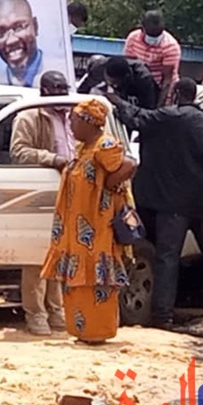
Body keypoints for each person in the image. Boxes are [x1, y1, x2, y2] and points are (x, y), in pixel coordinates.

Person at [109, 78, 203, 334]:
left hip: (172, 203)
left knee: (168, 258)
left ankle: (163, 316)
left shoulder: (167, 117)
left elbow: (137, 118)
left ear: (175, 94)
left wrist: (116, 101)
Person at [41, 98, 136, 343]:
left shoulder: (103, 145)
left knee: (95, 282)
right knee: (78, 284)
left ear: (88, 122)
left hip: (96, 228)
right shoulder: (85, 148)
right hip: (78, 231)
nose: (71, 126)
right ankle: (82, 331)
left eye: (73, 120)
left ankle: (97, 332)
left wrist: (108, 185)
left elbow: (128, 164)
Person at [10, 71, 74, 335]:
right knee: (37, 256)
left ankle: (57, 311)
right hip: (40, 192)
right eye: (55, 88)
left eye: (64, 87)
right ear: (44, 90)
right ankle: (35, 314)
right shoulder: (29, 116)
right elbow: (19, 152)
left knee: (59, 255)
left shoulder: (73, 114)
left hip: (70, 191)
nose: (61, 92)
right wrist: (52, 159)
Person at [0, 0, 66, 88]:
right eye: (1, 33)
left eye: (19, 27)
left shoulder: (65, 75)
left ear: (35, 27)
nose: (11, 41)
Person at [123, 9, 181, 106]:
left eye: (157, 34)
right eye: (151, 35)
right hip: (139, 84)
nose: (154, 38)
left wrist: (158, 108)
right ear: (143, 29)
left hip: (161, 88)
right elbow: (129, 66)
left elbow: (167, 81)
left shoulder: (171, 46)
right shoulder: (133, 39)